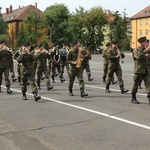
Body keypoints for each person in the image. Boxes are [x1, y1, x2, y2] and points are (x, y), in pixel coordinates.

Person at [131, 37, 150, 104]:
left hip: (146, 70)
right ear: (141, 42)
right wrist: (146, 51)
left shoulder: (145, 49)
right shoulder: (136, 50)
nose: (146, 43)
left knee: (148, 85)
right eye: (145, 41)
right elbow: (139, 56)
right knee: (136, 85)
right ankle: (133, 96)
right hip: (139, 70)